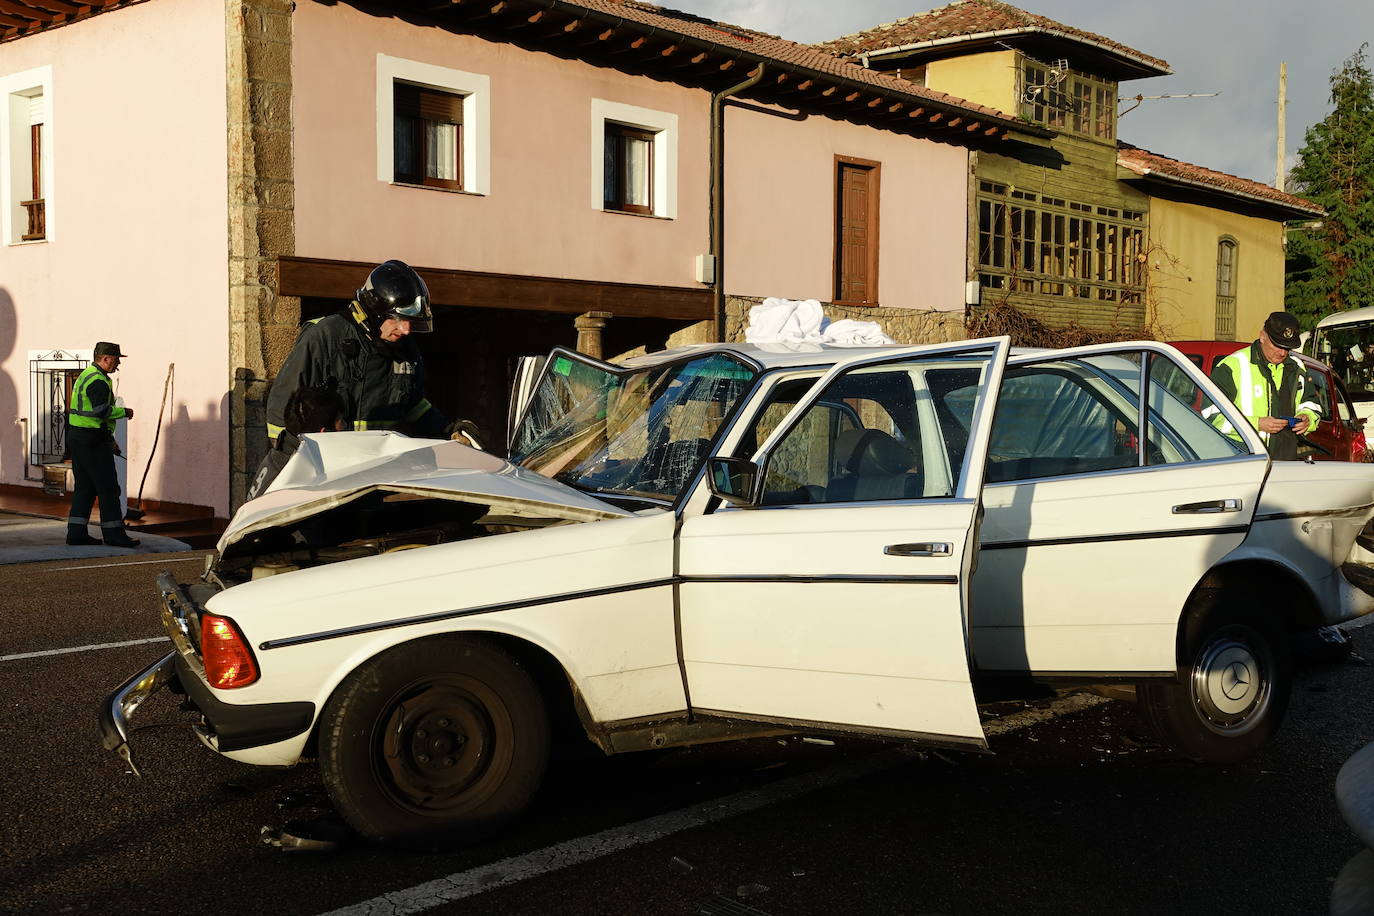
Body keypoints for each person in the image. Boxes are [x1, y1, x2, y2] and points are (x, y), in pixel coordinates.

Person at [266, 259, 446, 444]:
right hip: (330, 464)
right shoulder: (325, 336)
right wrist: (290, 460)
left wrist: (449, 431)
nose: (406, 330)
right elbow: (281, 412)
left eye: (411, 322)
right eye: (398, 319)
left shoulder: (404, 348)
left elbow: (414, 406)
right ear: (375, 312)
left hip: (379, 466)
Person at [1210, 311, 1321, 461]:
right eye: (1277, 345)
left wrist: (1307, 418)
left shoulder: (1297, 367)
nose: (1282, 353)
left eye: (1287, 348)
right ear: (1262, 336)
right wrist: (1257, 424)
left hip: (1287, 462)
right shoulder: (1232, 366)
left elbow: (1312, 403)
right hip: (1245, 460)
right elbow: (1212, 417)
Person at [66, 342, 139, 547]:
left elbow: (93, 416)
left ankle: (76, 534)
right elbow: (101, 411)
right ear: (105, 358)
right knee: (108, 489)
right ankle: (115, 534)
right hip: (92, 440)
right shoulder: (98, 380)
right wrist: (124, 412)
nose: (117, 365)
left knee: (85, 488)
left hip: (81, 438)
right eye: (116, 360)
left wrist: (110, 440)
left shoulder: (86, 375)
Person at [245, 386, 346, 501]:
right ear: (323, 432)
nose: (345, 426)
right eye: (341, 421)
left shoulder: (284, 452)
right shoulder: (295, 472)